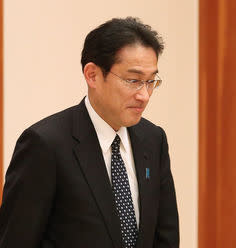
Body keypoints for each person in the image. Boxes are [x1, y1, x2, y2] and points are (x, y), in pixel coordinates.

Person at [0, 17, 179, 248]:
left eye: (151, 81)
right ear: (92, 75)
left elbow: (165, 237)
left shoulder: (154, 140)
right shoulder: (45, 144)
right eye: (133, 80)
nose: (144, 95)